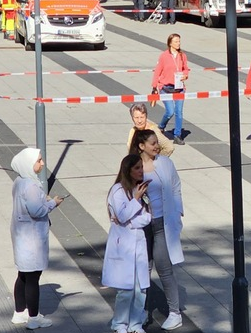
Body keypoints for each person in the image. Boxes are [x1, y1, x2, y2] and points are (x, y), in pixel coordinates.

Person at [129, 130, 185, 331]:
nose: (157, 146)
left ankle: (175, 312)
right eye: (153, 143)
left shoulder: (165, 163)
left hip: (162, 224)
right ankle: (142, 311)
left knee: (164, 268)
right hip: (142, 225)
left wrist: (178, 211)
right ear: (142, 146)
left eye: (157, 142)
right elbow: (124, 192)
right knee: (143, 269)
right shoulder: (134, 167)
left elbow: (176, 186)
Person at [9, 147, 64, 330]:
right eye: (39, 160)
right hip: (30, 237)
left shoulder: (20, 181)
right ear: (29, 164)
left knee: (23, 274)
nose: (42, 163)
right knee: (33, 277)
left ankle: (19, 312)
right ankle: (33, 318)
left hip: (22, 234)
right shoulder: (31, 185)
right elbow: (37, 210)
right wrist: (52, 203)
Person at [103, 154, 151, 333]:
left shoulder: (141, 189)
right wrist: (136, 200)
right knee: (125, 289)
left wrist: (131, 219)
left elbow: (147, 217)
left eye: (141, 167)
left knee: (141, 289)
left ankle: (135, 323)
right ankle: (119, 323)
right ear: (128, 170)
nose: (141, 171)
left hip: (138, 243)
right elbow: (122, 216)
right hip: (123, 244)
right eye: (137, 168)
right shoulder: (117, 190)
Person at [152, 33, 190, 145]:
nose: (178, 43)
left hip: (179, 88)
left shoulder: (182, 56)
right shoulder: (163, 56)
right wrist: (154, 86)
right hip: (166, 87)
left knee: (179, 112)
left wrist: (185, 75)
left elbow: (186, 69)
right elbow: (157, 71)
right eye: (176, 41)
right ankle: (161, 126)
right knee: (170, 111)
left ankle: (177, 135)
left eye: (179, 41)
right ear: (170, 43)